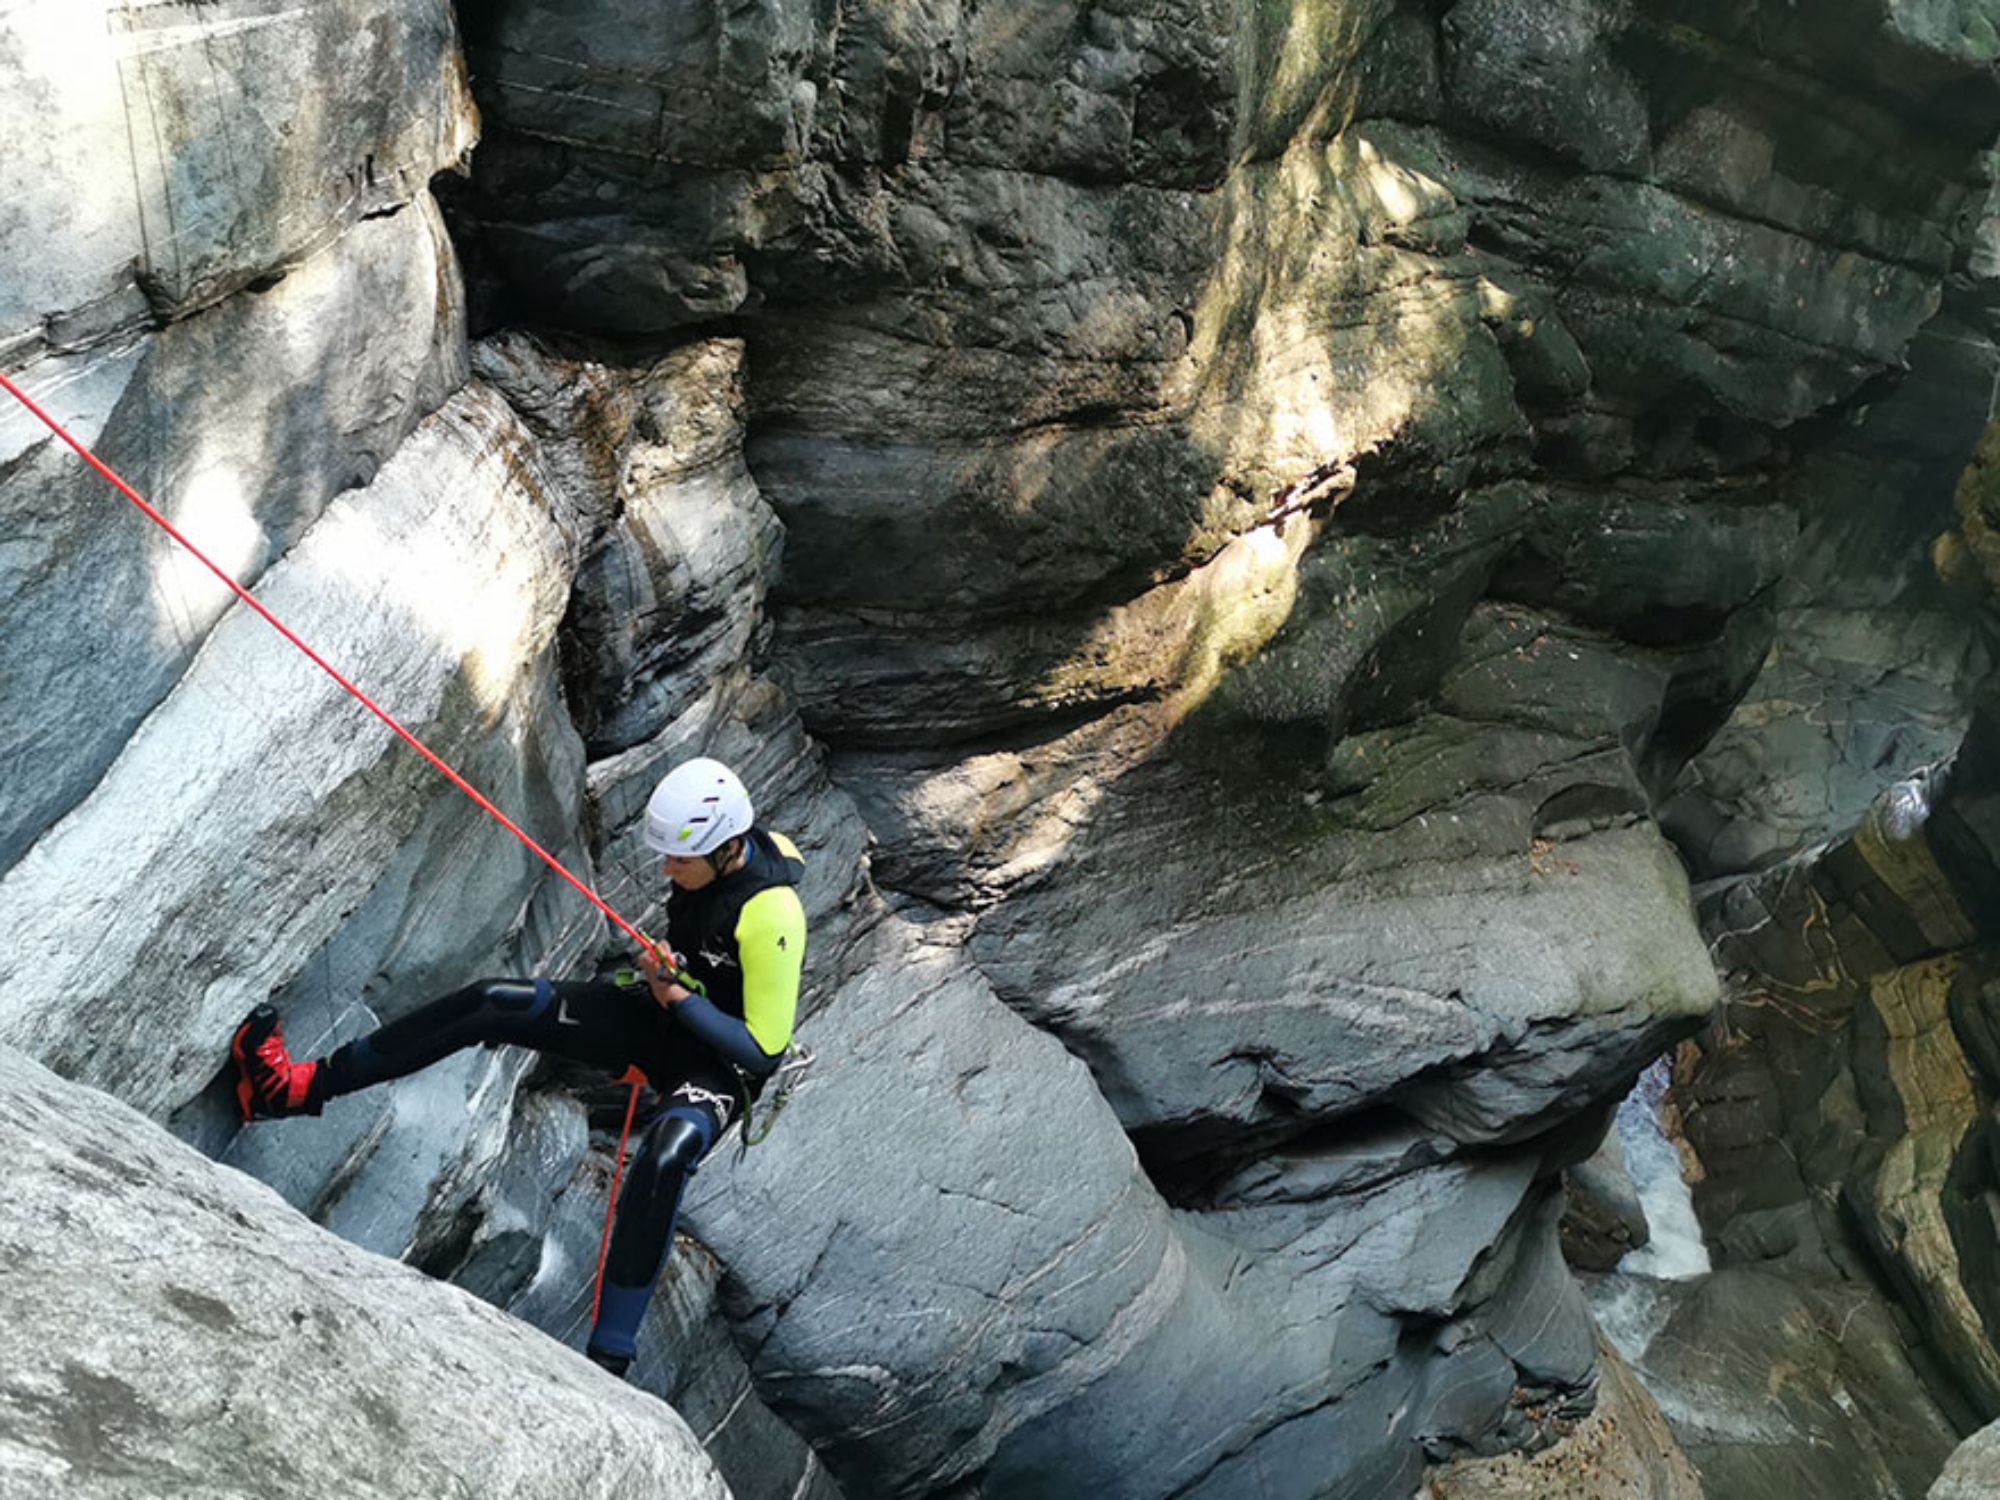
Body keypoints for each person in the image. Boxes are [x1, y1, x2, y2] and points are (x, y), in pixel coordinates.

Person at [230, 756, 807, 1377]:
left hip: (720, 1064)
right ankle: (291, 1089)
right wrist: (669, 992)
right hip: (663, 1018)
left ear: (727, 850)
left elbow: (762, 1049)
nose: (666, 870)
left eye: (678, 862)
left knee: (664, 1156)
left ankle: (609, 1361)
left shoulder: (773, 913)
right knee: (494, 1002)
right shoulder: (707, 861)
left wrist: (679, 999)